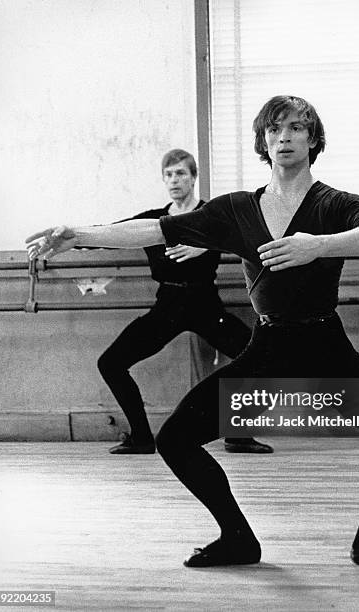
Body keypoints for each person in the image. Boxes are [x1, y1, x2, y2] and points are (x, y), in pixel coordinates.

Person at [26, 95, 359, 570]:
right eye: (274, 130)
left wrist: (316, 246)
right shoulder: (237, 210)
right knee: (176, 439)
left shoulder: (335, 203)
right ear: (263, 141)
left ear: (313, 139)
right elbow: (157, 230)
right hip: (267, 355)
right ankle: (238, 539)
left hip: (327, 351)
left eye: (297, 128)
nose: (284, 137)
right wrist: (79, 233)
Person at [89, 148, 273, 455]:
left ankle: (239, 434)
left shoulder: (211, 214)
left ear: (193, 177)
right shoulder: (153, 221)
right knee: (110, 363)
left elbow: (249, 231)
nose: (174, 180)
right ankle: (142, 437)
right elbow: (110, 233)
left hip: (205, 306)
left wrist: (207, 243)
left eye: (181, 174)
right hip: (167, 307)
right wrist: (70, 237)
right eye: (169, 174)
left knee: (266, 361)